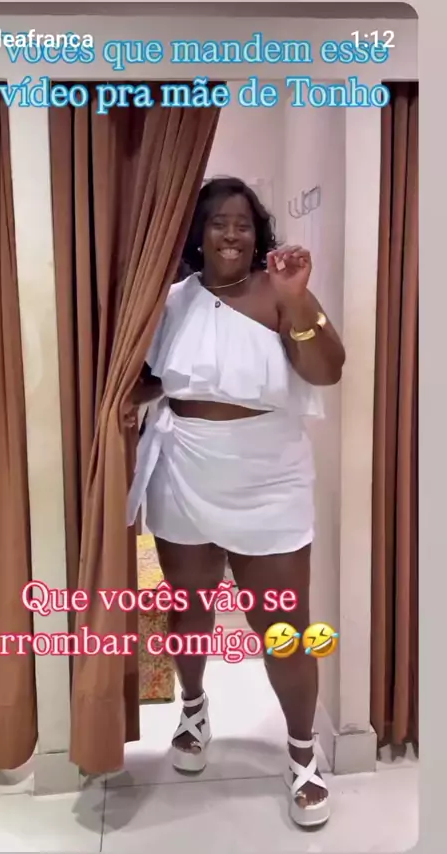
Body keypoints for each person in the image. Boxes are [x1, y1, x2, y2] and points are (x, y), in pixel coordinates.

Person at [127, 177, 345, 829]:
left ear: (258, 233)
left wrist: (297, 299)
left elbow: (327, 368)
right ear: (198, 232)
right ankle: (194, 710)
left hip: (267, 477)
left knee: (283, 627)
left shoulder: (281, 293)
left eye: (243, 223)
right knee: (189, 606)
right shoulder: (171, 298)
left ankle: (302, 754)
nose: (231, 234)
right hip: (184, 467)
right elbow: (154, 377)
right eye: (218, 222)